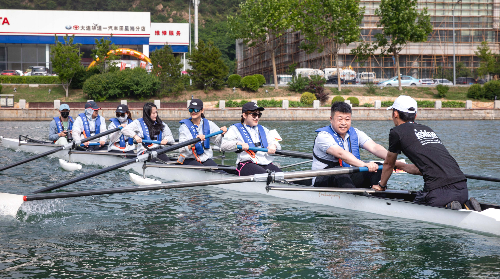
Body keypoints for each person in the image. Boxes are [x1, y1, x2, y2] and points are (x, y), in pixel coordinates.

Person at [378, 95, 480, 211]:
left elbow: (388, 164)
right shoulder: (427, 129)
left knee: (413, 212)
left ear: (395, 113)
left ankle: (448, 206)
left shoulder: (396, 132)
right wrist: (401, 165)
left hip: (438, 193)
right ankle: (464, 205)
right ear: (415, 115)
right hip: (462, 187)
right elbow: (424, 168)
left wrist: (381, 186)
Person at [312, 101, 405, 188]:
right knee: (339, 172)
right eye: (339, 119)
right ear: (331, 119)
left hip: (347, 176)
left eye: (347, 119)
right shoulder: (323, 136)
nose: (343, 123)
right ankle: (356, 200)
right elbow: (341, 154)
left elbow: (374, 147)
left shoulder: (355, 133)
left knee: (378, 167)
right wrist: (364, 165)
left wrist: (392, 160)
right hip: (323, 179)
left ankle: (378, 193)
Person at [221, 102, 282, 176]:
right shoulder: (234, 129)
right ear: (244, 115)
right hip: (246, 164)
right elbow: (223, 145)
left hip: (265, 163)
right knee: (266, 176)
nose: (257, 118)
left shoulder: (264, 129)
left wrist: (274, 145)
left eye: (259, 115)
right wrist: (237, 144)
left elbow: (275, 143)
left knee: (281, 175)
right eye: (254, 114)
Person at [178, 99, 227, 168]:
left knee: (219, 171)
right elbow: (181, 149)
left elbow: (219, 142)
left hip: (204, 158)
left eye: (196, 110)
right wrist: (195, 141)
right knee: (202, 170)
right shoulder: (184, 127)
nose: (193, 112)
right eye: (191, 110)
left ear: (202, 110)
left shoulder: (209, 124)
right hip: (188, 158)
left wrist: (223, 134)